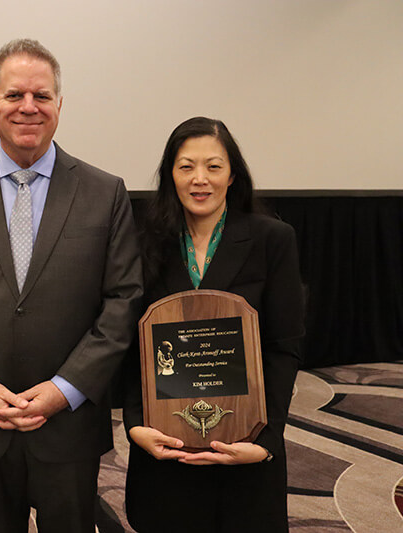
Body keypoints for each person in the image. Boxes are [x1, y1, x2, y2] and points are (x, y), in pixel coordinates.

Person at [0, 38, 142, 533]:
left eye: (42, 96)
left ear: (60, 105)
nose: (28, 107)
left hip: (69, 422)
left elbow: (123, 301)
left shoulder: (106, 192)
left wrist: (64, 389)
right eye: (14, 95)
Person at [124, 117, 305, 532]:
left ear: (232, 174)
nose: (199, 179)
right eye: (186, 166)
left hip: (243, 447)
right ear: (170, 175)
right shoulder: (144, 243)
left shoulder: (272, 239)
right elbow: (132, 344)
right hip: (166, 448)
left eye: (213, 166)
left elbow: (283, 348)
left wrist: (265, 441)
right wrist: (135, 422)